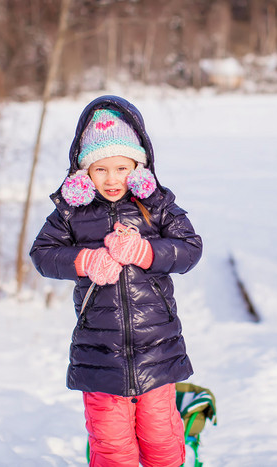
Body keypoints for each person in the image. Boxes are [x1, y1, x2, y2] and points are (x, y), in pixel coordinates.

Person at [30, 95, 202, 467]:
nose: (112, 179)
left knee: (161, 439)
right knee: (111, 446)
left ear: (138, 167)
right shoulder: (71, 212)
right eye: (101, 170)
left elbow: (190, 248)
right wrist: (84, 260)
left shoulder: (156, 206)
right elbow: (42, 254)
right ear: (84, 173)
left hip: (157, 347)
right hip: (99, 351)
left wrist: (145, 252)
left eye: (122, 168)